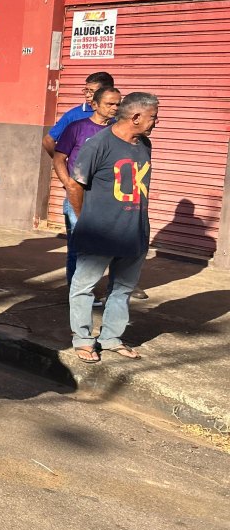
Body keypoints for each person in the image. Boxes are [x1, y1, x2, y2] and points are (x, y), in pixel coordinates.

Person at [68, 92, 159, 363]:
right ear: (136, 117)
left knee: (122, 288)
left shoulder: (144, 144)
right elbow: (75, 185)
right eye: (153, 116)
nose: (156, 121)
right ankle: (83, 340)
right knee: (84, 287)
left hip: (135, 232)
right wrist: (86, 221)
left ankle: (110, 338)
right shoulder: (98, 144)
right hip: (100, 232)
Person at [52, 86, 121, 287]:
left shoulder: (118, 131)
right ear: (95, 105)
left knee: (111, 246)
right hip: (79, 197)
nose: (115, 108)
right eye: (110, 104)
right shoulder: (77, 128)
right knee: (79, 248)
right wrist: (69, 184)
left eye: (118, 104)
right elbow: (58, 159)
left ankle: (110, 288)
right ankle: (77, 293)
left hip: (107, 199)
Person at [41, 71, 115, 157]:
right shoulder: (74, 115)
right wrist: (60, 161)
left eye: (92, 91)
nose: (87, 95)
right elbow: (48, 140)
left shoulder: (118, 115)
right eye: (86, 90)